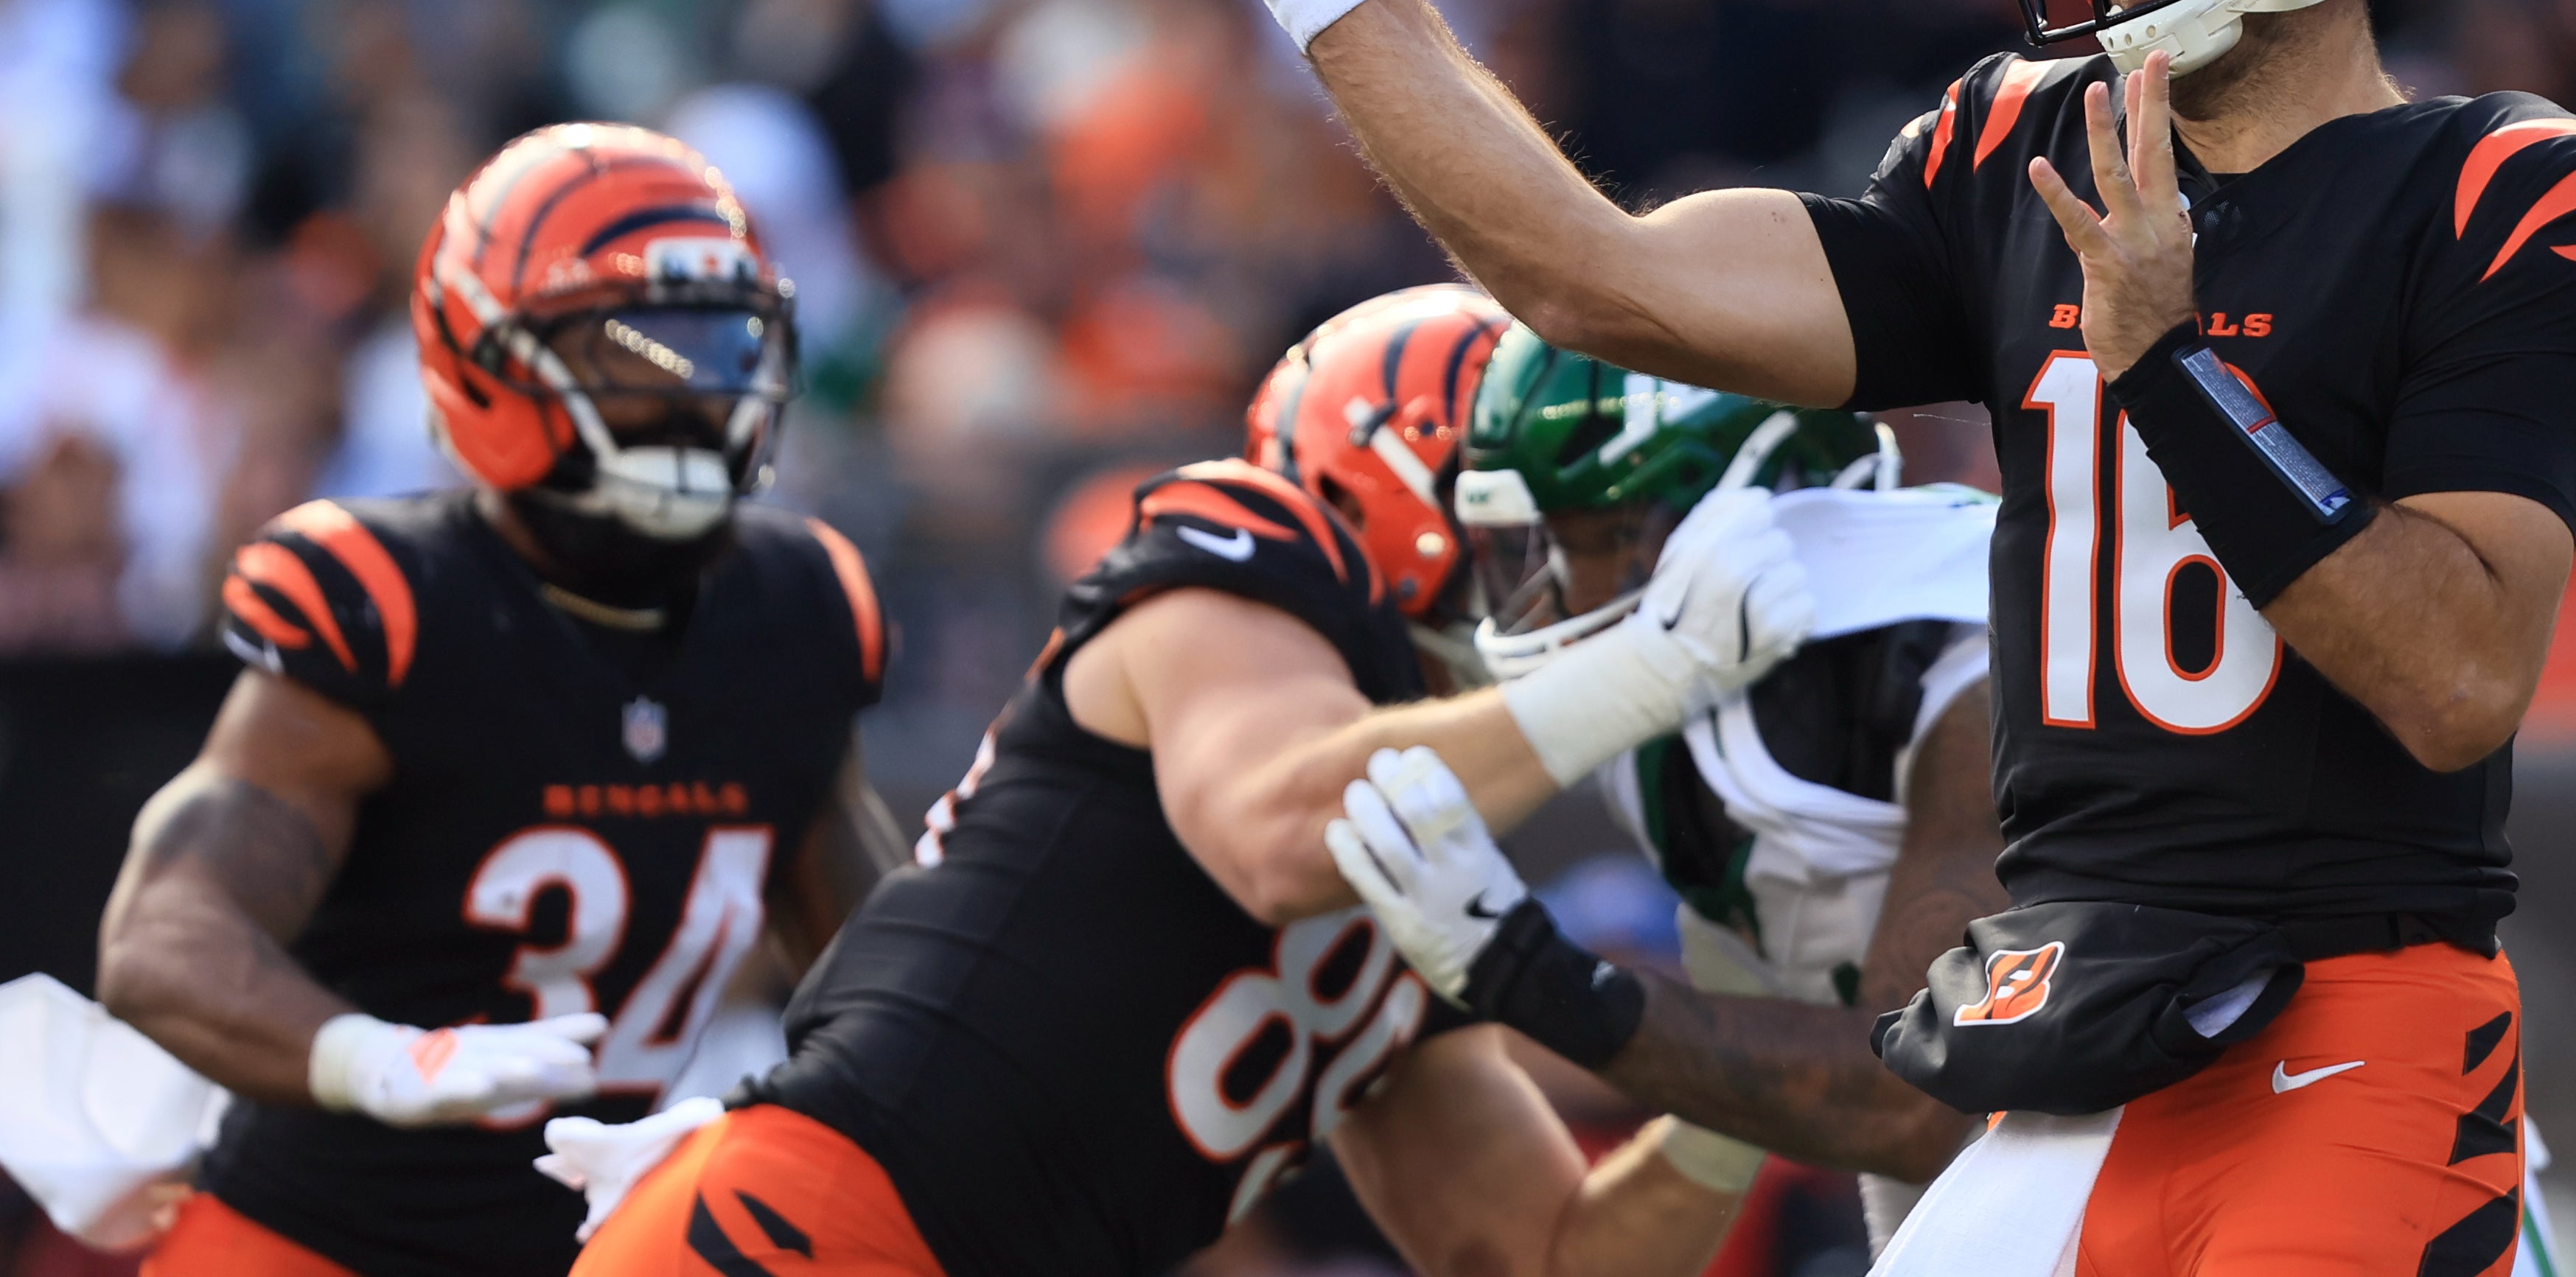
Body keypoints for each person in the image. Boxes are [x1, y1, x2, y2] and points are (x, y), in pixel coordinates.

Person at [1133, 0, 2576, 1277]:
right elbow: (1601, 278)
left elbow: (2456, 675)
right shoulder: (2015, 162)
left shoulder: (2502, 189)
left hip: (2352, 1014)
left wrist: (2164, 360)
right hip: (2077, 1034)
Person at [559, 286, 1807, 1277]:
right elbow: (1279, 830)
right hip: (809, 1223)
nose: (1587, 589)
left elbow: (1544, 1251)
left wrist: (1736, 1079)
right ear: (1402, 508)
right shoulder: (1235, 564)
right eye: (1548, 538)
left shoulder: (1417, 838)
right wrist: (1654, 669)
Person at [94, 125, 903, 1277]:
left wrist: (775, 1115)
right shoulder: (396, 605)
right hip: (312, 1245)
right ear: (487, 359)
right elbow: (162, 941)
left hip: (599, 1250)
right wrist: (377, 1058)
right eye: (636, 347)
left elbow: (883, 974)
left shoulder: (797, 610)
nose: (693, 390)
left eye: (719, 342)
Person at [1335, 329, 2002, 1255]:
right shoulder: (1687, 684)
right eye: (1544, 546)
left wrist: (1528, 971)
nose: (1564, 595)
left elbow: (1911, 1101)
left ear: (1755, 497)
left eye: (1608, 538)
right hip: (1961, 1202)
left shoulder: (1973, 667)